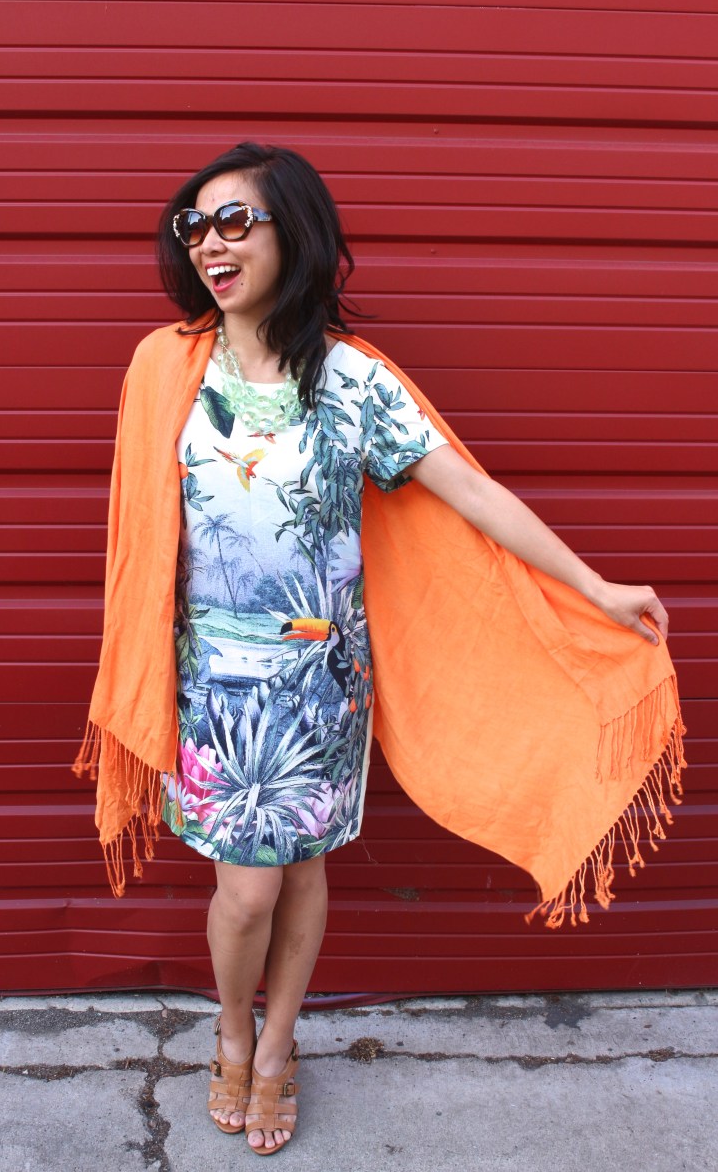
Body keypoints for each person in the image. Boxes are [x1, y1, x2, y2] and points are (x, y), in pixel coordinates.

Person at [77, 142, 678, 1156]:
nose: (211, 243)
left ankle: (275, 1046)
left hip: (320, 683)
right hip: (213, 685)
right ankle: (231, 1029)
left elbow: (472, 491)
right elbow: (140, 536)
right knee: (246, 889)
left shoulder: (352, 380)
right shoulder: (164, 365)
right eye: (196, 225)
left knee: (303, 873)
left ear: (293, 233)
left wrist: (594, 585)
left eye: (236, 221)